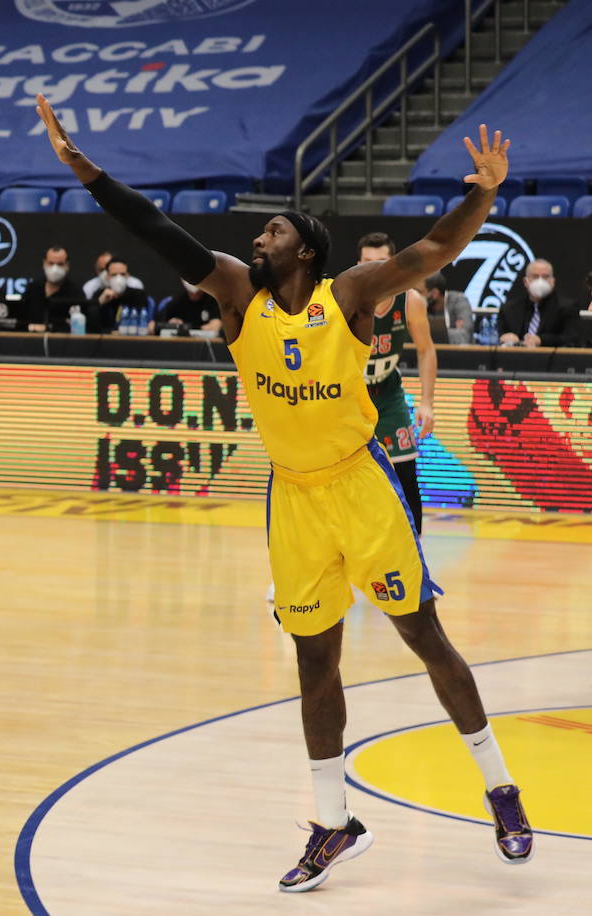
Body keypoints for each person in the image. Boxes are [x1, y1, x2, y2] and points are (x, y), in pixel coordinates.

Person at [37, 98, 532, 891]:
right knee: (314, 663)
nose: (254, 240)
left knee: (424, 637)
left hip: (361, 485)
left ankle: (501, 789)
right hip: (293, 498)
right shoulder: (239, 295)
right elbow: (159, 232)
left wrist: (483, 193)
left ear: (304, 247)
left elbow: (435, 246)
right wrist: (86, 172)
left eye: (270, 233)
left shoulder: (350, 296)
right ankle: (333, 824)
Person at [357, 233, 436, 533]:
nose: (375, 269)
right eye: (368, 263)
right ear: (358, 265)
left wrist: (427, 402)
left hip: (388, 392)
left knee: (406, 472)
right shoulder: (346, 298)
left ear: (393, 263)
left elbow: (426, 349)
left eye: (381, 262)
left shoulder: (410, 300)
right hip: (351, 396)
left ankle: (415, 556)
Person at [497, 259, 573, 347]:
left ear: (553, 281)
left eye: (545, 277)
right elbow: (499, 335)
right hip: (516, 357)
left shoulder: (566, 307)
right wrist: (506, 338)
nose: (540, 281)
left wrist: (540, 340)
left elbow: (571, 339)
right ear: (526, 281)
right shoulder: (509, 309)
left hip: (551, 357)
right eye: (535, 276)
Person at [20, 246, 85, 332]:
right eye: (51, 263)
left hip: (62, 342)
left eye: (60, 264)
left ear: (67, 265)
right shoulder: (33, 288)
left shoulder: (76, 292)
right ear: (44, 263)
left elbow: (79, 326)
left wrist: (49, 328)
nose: (55, 268)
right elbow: (20, 318)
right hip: (30, 340)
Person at [89, 255, 150, 333]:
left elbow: (142, 323)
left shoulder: (139, 295)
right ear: (107, 276)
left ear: (128, 275)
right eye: (114, 275)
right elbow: (91, 326)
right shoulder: (100, 294)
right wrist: (99, 303)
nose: (118, 278)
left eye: (122, 274)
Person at [423, 272, 473, 345]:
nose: (416, 296)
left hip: (459, 354)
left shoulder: (459, 300)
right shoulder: (421, 307)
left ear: (434, 293)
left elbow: (464, 336)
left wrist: (425, 333)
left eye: (421, 292)